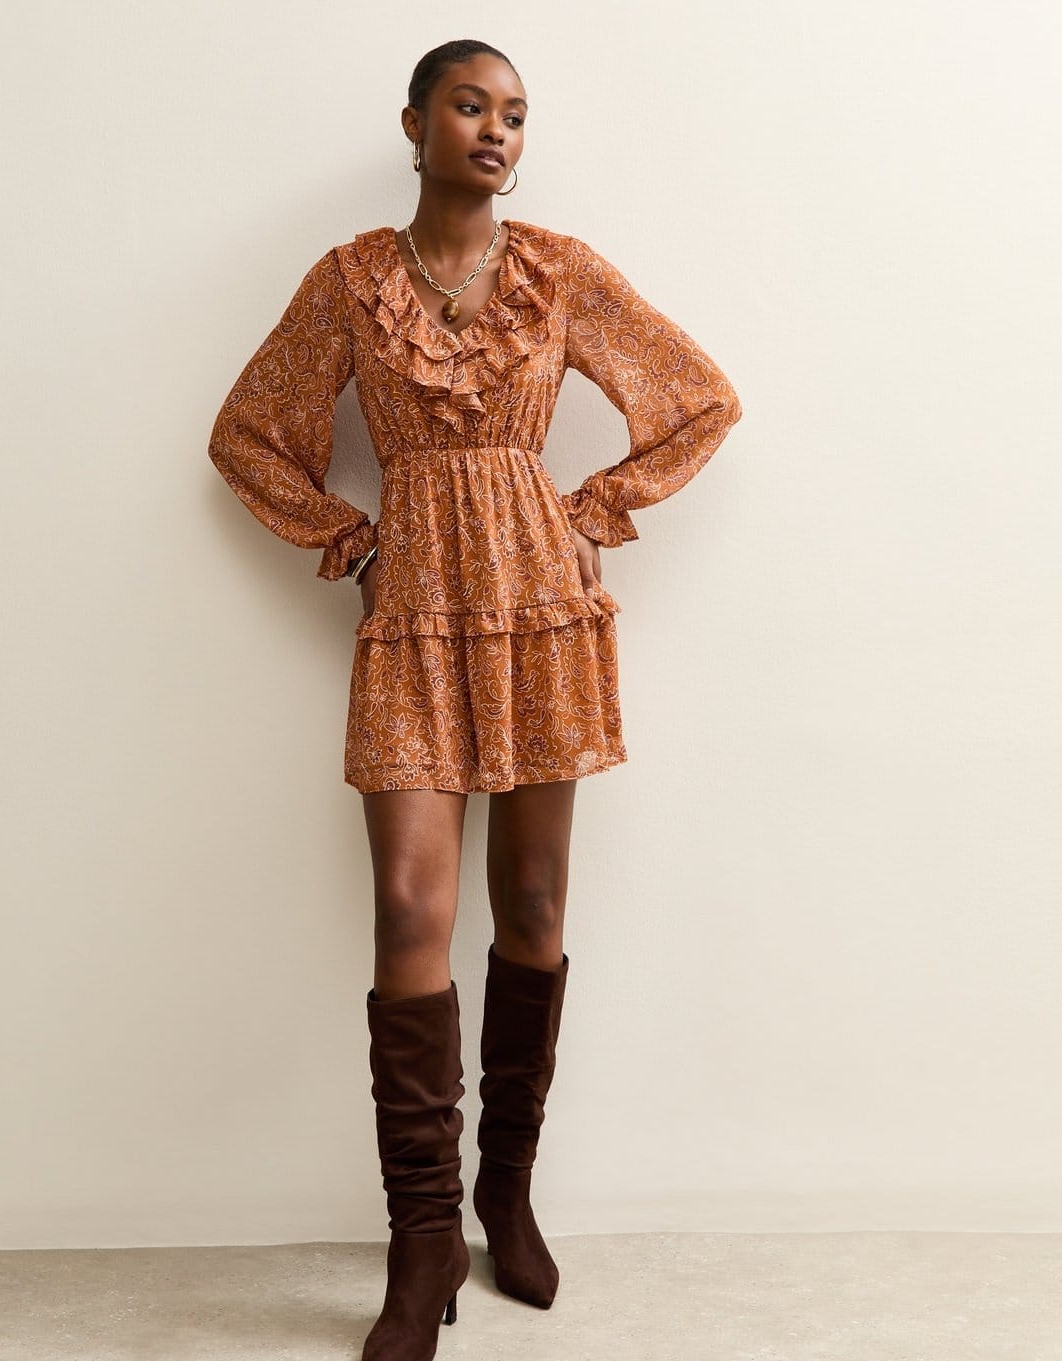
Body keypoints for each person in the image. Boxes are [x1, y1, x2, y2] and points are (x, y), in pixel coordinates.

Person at [207, 37, 742, 1361]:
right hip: (411, 615)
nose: (496, 131)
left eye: (514, 113)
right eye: (469, 105)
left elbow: (698, 400)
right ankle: (422, 1238)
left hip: (539, 611)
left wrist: (593, 511)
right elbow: (246, 431)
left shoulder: (559, 271)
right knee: (409, 910)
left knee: (538, 902)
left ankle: (507, 1192)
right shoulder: (351, 281)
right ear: (415, 123)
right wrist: (350, 539)